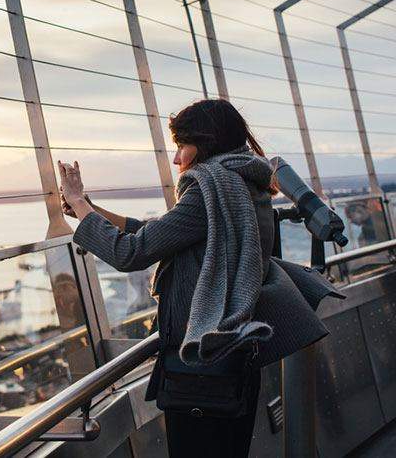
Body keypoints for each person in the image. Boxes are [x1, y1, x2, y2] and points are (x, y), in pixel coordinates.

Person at [58, 99, 335, 458]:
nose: (176, 159)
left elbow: (130, 253)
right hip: (233, 359)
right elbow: (162, 233)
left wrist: (79, 202)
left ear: (207, 143)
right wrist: (90, 211)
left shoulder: (212, 187)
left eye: (182, 146)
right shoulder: (243, 182)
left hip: (201, 366)